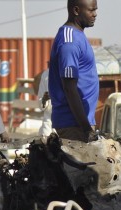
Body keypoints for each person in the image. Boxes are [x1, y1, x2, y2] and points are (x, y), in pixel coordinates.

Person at [48, 0, 100, 143]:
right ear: (76, 10)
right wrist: (86, 129)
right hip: (74, 126)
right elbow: (69, 87)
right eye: (91, 10)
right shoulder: (69, 42)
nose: (95, 14)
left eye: (95, 10)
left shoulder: (78, 35)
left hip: (81, 124)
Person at [37, 67, 52, 136]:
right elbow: (41, 104)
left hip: (66, 125)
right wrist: (44, 100)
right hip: (48, 124)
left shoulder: (70, 73)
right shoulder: (46, 74)